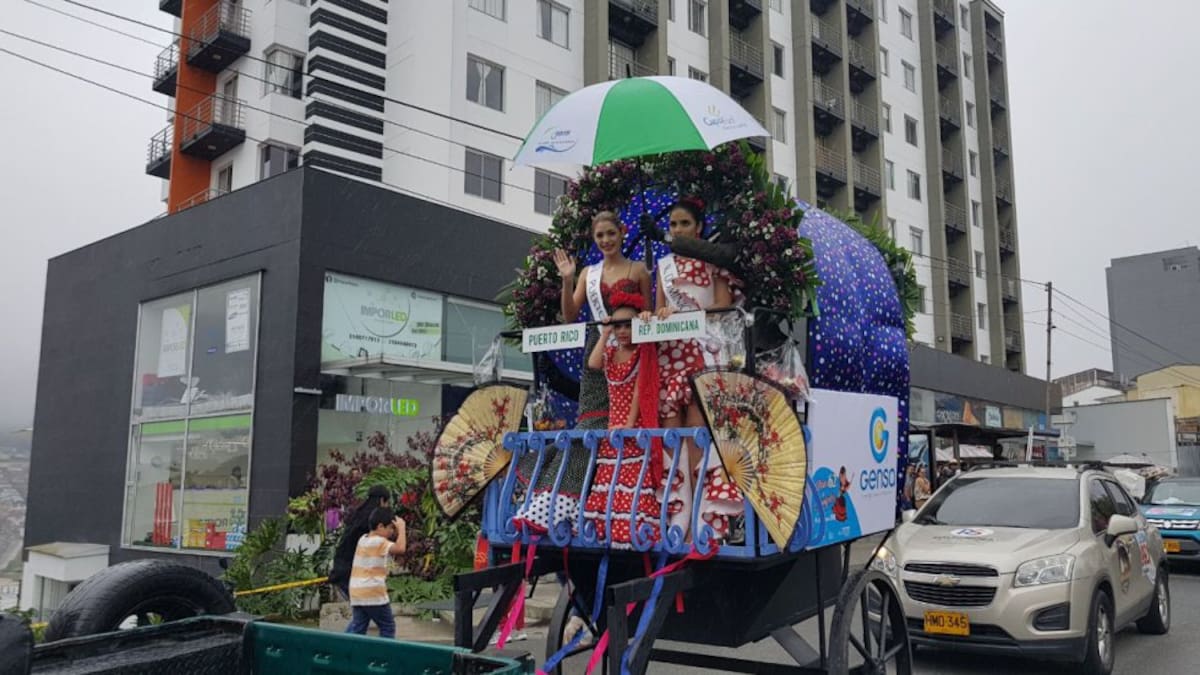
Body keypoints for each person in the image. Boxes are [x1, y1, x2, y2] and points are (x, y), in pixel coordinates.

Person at [513, 212, 651, 535]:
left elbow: (646, 313)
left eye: (610, 233)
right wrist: (567, 279)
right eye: (599, 235)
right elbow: (570, 314)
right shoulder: (589, 273)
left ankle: (608, 503)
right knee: (590, 425)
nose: (605, 240)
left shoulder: (639, 270)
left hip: (631, 349)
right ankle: (562, 502)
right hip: (598, 349)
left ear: (622, 232)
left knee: (620, 426)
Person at [641, 197, 743, 542]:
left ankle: (703, 520)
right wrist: (652, 317)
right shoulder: (664, 266)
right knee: (673, 443)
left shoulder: (712, 263)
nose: (678, 230)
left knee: (698, 439)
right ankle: (676, 521)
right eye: (672, 225)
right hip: (671, 356)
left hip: (703, 356)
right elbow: (658, 311)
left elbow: (723, 308)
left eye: (684, 224)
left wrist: (689, 314)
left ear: (698, 227)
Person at [582, 293, 663, 548]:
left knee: (633, 485)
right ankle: (608, 534)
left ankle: (633, 536)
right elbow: (593, 363)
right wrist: (605, 333)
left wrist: (629, 424)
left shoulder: (643, 352)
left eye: (629, 325)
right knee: (610, 482)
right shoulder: (610, 351)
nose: (624, 331)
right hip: (613, 431)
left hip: (633, 431)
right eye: (618, 326)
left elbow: (640, 389)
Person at [345, 507, 407, 638]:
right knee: (387, 626)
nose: (392, 532)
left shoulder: (363, 539)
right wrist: (402, 528)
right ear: (380, 526)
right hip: (373, 593)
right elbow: (401, 548)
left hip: (357, 592)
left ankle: (344, 651)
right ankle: (385, 656)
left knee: (358, 627)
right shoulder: (380, 542)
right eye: (390, 528)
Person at [329, 485, 391, 599]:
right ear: (382, 500)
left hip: (342, 569)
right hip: (352, 573)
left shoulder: (358, 515)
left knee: (361, 611)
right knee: (366, 608)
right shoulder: (372, 521)